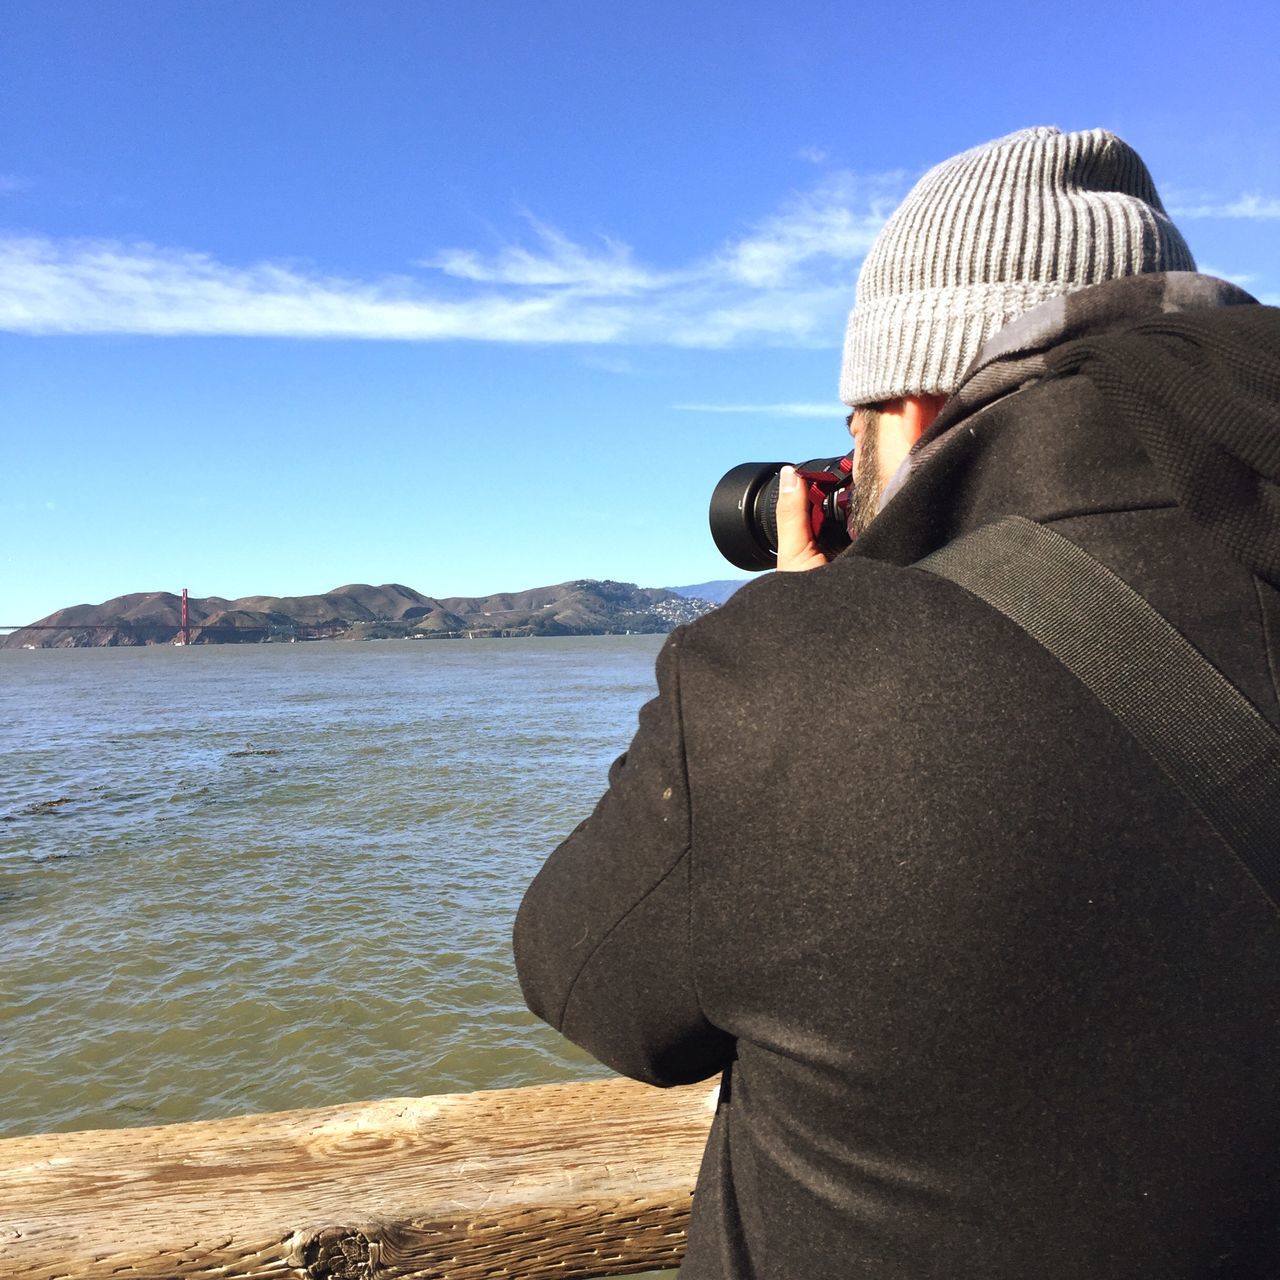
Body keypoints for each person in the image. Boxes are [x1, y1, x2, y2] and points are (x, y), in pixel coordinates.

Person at [513, 127, 1280, 1277]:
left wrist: (807, 623)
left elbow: (584, 982)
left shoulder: (779, 682)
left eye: (849, 437)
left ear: (912, 410)